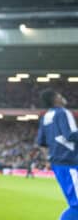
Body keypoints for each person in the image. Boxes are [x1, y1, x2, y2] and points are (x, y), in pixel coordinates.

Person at [37, 89, 78, 220]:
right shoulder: (64, 113)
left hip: (58, 164)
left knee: (75, 203)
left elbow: (41, 142)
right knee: (76, 205)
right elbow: (70, 135)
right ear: (55, 99)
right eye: (60, 95)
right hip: (70, 162)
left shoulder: (46, 117)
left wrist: (49, 159)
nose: (62, 96)